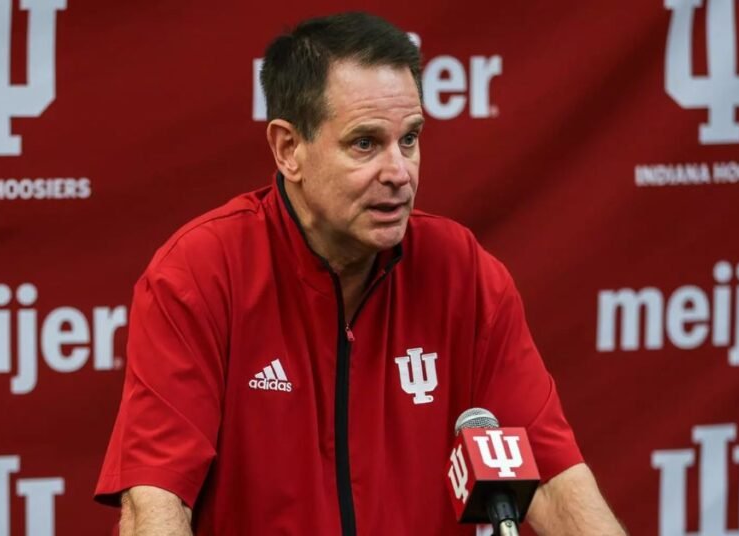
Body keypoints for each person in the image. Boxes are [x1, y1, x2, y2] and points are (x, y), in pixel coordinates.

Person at [96, 12, 625, 535]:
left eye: (410, 139)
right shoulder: (199, 273)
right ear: (288, 149)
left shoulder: (462, 270)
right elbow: (155, 504)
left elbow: (551, 477)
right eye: (365, 143)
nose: (399, 172)